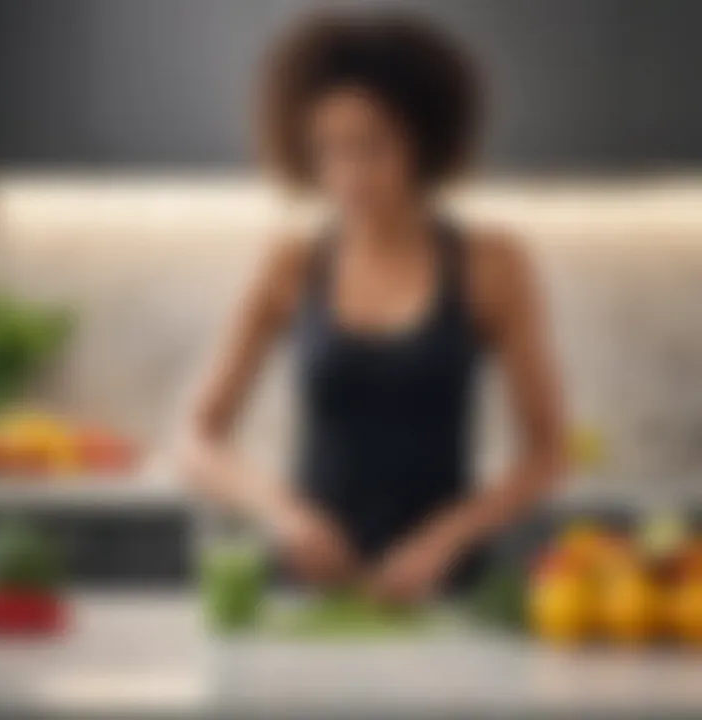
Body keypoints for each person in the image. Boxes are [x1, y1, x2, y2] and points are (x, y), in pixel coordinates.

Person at [182, 11, 566, 604]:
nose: (348, 174)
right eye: (328, 150)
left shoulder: (492, 263)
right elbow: (197, 439)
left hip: (446, 592)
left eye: (371, 146)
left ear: (424, 141)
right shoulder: (291, 264)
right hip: (312, 592)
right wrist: (284, 514)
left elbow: (547, 452)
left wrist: (446, 537)